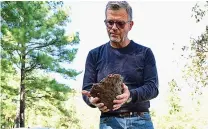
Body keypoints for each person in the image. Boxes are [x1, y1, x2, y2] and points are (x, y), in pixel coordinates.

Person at [82, 1, 159, 129]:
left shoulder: (145, 53)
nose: (114, 27)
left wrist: (130, 96)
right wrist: (92, 101)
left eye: (120, 23)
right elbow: (87, 90)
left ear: (130, 25)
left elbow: (153, 88)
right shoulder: (94, 55)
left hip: (140, 120)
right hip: (108, 121)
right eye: (110, 22)